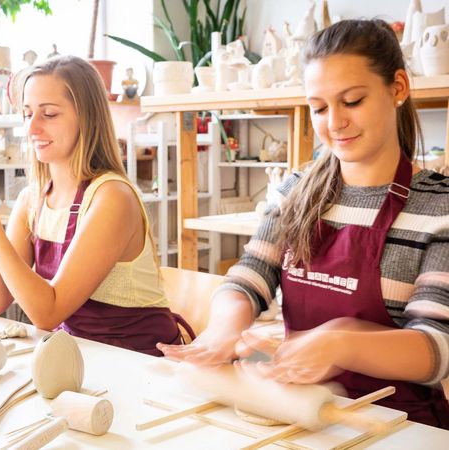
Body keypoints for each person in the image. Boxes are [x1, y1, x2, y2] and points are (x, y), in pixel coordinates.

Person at [158, 19, 449, 428]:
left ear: (398, 87)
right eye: (319, 107)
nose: (334, 123)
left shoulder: (438, 206)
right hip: (302, 416)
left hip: (400, 427)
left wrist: (340, 343)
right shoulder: (296, 192)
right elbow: (249, 278)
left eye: (352, 101)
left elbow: (436, 347)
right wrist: (224, 328)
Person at [0, 55, 192, 356]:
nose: (32, 128)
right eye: (27, 115)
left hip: (141, 362)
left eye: (49, 114)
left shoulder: (112, 198)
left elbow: (48, 312)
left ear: (87, 118)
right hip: (80, 356)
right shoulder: (33, 199)